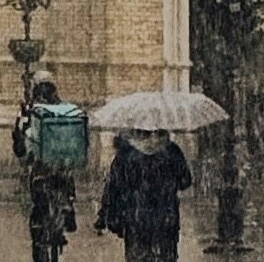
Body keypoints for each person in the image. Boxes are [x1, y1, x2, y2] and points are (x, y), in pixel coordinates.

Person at [15, 73, 83, 262]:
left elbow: (20, 144)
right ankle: (68, 208)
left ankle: (40, 231)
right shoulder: (65, 110)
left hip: (41, 172)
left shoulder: (31, 111)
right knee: (67, 187)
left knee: (38, 206)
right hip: (62, 169)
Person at [99, 129, 194, 259]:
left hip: (136, 218)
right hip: (165, 218)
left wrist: (108, 214)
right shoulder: (171, 150)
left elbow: (114, 187)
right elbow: (185, 181)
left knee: (138, 256)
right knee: (165, 255)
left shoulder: (126, 153)